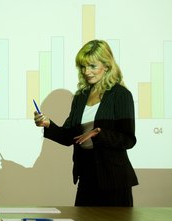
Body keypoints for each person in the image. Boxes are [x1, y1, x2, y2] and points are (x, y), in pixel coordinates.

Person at [34, 40, 139, 207]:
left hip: (114, 181)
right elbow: (69, 136)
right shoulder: (80, 96)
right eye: (82, 67)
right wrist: (48, 124)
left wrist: (98, 133)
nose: (86, 72)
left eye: (92, 66)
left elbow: (128, 139)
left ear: (106, 66)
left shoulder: (121, 95)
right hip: (86, 178)